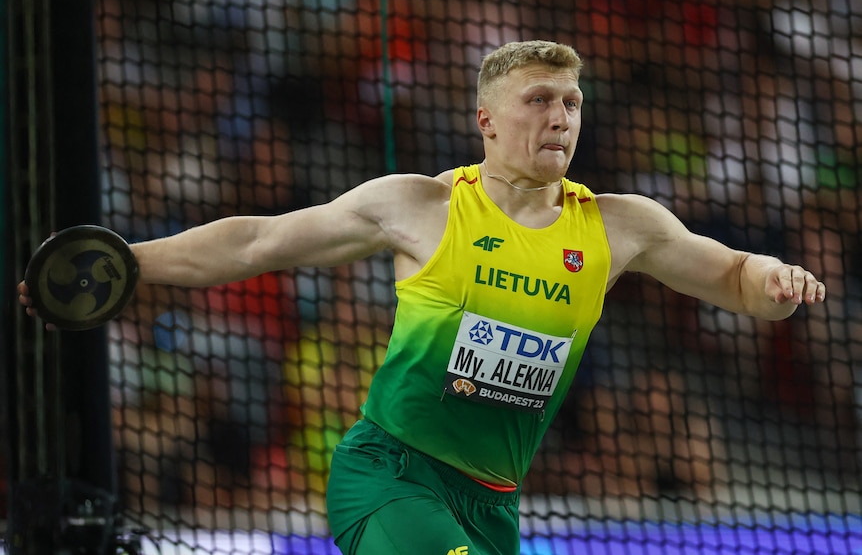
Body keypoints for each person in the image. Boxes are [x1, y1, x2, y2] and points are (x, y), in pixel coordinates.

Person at [19, 40, 826, 555]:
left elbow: (733, 278)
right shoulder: (422, 206)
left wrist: (776, 280)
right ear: (486, 119)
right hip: (389, 473)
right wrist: (127, 264)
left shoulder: (621, 225)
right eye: (539, 101)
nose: (560, 118)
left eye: (572, 103)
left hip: (493, 506)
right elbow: (257, 241)